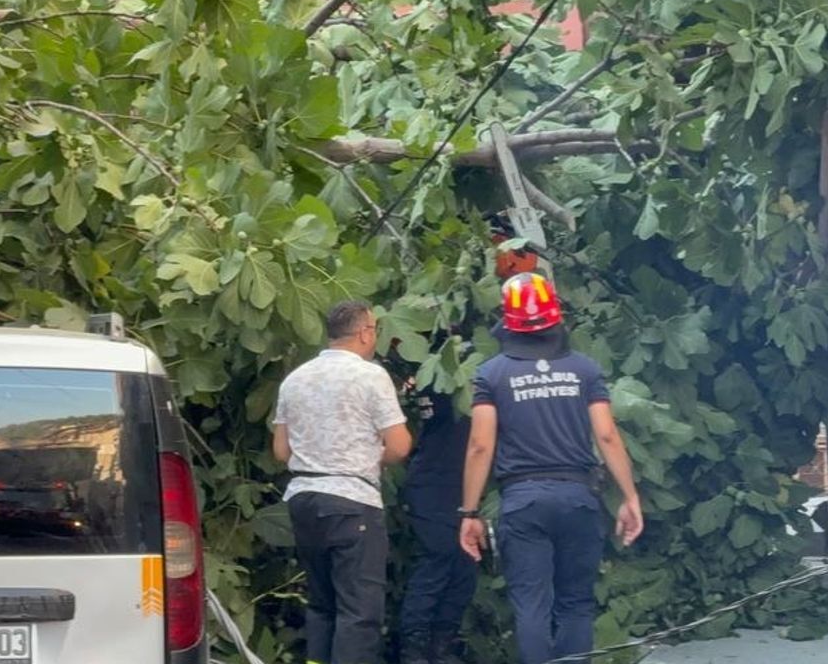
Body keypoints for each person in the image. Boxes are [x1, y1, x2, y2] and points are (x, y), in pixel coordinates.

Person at [458, 273, 644, 664]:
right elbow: (607, 436)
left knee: (531, 606)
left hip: (523, 502)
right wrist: (629, 497)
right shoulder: (584, 369)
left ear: (506, 322)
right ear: (556, 317)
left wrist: (470, 512)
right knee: (575, 604)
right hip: (578, 498)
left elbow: (480, 445)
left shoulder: (491, 374)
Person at [272, 301, 414, 664]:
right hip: (352, 503)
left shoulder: (296, 378)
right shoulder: (370, 376)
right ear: (366, 332)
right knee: (359, 613)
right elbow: (399, 445)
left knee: (322, 606)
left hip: (304, 500)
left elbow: (281, 450)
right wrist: (370, 459)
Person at [399, 353, 477, 664]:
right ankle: (414, 649)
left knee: (463, 569)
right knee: (439, 560)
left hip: (457, 484)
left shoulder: (431, 375)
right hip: (435, 484)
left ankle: (443, 648)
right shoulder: (442, 377)